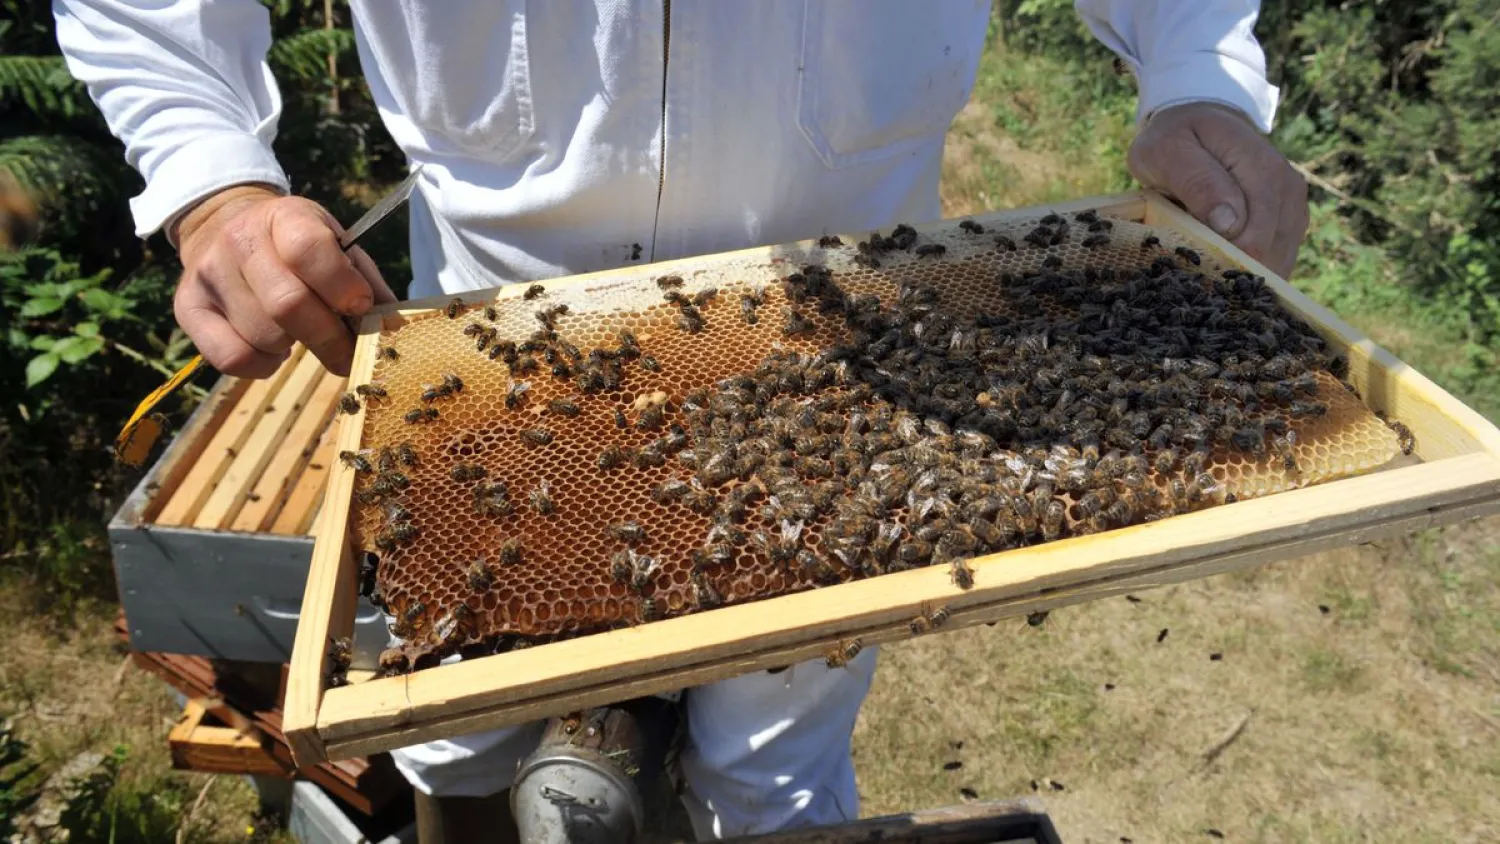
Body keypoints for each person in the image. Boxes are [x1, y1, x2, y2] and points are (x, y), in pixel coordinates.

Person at [55, 1, 1308, 839]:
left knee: (773, 772)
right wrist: (209, 174)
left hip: (858, 363)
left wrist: (1197, 73)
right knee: (455, 726)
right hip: (493, 348)